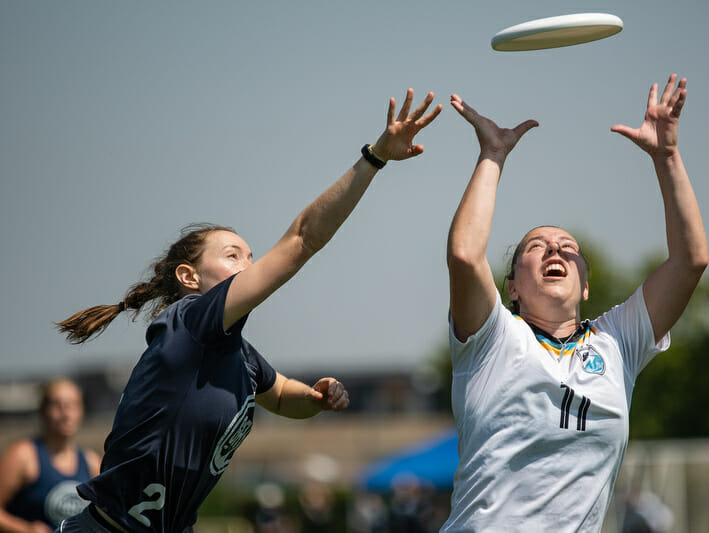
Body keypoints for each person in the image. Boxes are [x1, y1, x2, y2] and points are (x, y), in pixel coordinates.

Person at [54, 88, 442, 533]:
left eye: (251, 256)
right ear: (189, 276)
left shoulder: (239, 354)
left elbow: (279, 395)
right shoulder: (191, 322)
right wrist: (374, 157)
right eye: (233, 254)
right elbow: (302, 239)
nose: (250, 265)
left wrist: (314, 398)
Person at [442, 74, 707, 531]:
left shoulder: (616, 342)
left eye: (568, 246)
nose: (556, 249)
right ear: (512, 289)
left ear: (585, 286)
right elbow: (465, 256)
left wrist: (667, 157)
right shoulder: (492, 340)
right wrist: (492, 156)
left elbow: (690, 261)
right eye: (536, 246)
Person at [0, 378, 102, 532]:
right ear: (42, 411)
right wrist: (25, 529)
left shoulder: (92, 462)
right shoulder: (23, 456)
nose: (65, 413)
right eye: (57, 405)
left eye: (72, 405)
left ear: (82, 411)